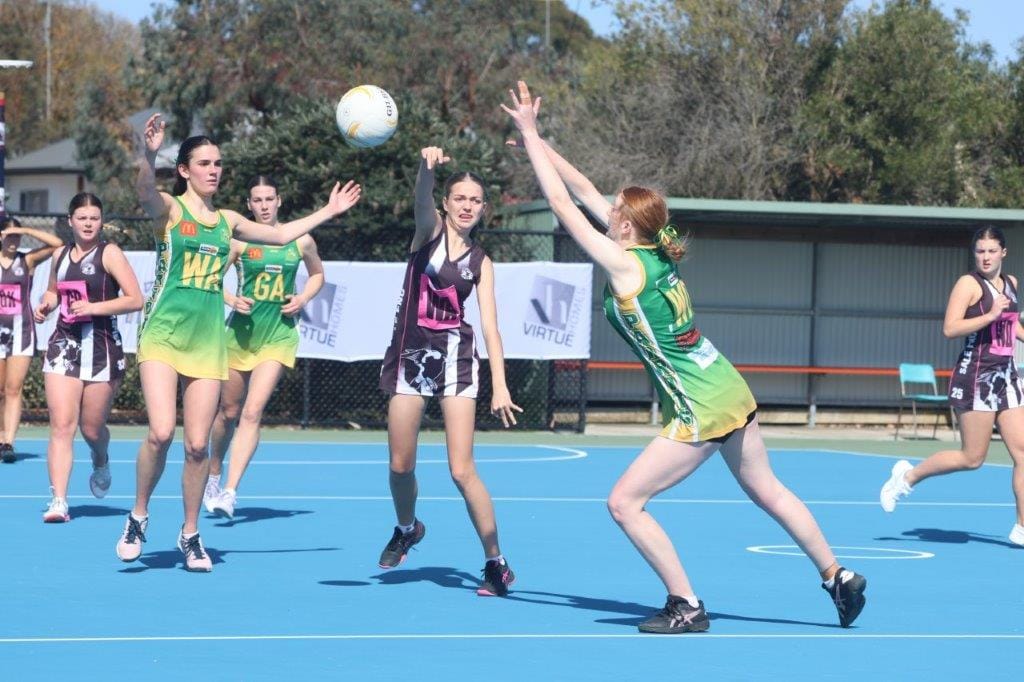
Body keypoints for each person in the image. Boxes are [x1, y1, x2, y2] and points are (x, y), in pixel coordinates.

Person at [502, 80, 866, 632]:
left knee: (624, 503)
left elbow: (561, 203)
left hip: (699, 403)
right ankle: (837, 576)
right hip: (725, 383)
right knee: (769, 491)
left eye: (614, 212)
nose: (606, 214)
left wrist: (532, 137)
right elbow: (582, 188)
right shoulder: (648, 248)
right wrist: (535, 137)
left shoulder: (625, 264)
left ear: (625, 224)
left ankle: (687, 605)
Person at [116, 113, 360, 571]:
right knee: (161, 432)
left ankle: (190, 533)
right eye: (204, 163)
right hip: (163, 336)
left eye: (219, 163)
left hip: (208, 343)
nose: (214, 170)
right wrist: (147, 152)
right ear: (185, 170)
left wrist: (329, 211)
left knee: (195, 446)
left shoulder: (228, 221)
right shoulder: (171, 210)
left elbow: (283, 233)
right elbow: (144, 190)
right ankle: (138, 514)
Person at [376, 144, 523, 597]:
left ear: (483, 209)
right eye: (459, 197)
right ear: (447, 202)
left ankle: (496, 563)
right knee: (401, 466)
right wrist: (425, 169)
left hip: (456, 362)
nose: (466, 206)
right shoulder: (428, 234)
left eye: (475, 200)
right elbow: (421, 197)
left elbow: (492, 328)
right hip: (410, 357)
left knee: (462, 470)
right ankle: (407, 527)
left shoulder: (482, 263)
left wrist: (499, 385)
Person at [881, 225, 1024, 546]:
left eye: (991, 251)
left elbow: (1011, 326)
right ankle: (906, 478)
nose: (985, 257)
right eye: (980, 251)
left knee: (1023, 452)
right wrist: (989, 314)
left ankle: (1022, 528)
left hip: (1007, 377)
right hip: (976, 376)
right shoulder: (968, 285)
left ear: (1003, 252)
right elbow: (950, 328)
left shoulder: (1011, 284)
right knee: (972, 459)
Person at [204, 176, 325, 519]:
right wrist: (230, 298)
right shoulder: (240, 242)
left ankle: (230, 491)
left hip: (279, 336)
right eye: (257, 200)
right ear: (249, 205)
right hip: (240, 336)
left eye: (269, 198)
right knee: (227, 412)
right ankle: (213, 474)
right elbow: (211, 279)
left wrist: (302, 297)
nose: (264, 205)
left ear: (279, 200)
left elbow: (318, 275)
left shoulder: (300, 241)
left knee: (252, 412)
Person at [35, 193, 144, 522]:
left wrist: (94, 308)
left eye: (94, 218)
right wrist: (46, 304)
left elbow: (135, 299)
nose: (87, 223)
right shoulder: (60, 255)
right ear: (70, 221)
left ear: (101, 222)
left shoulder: (109, 253)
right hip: (64, 346)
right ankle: (59, 501)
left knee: (91, 428)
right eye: (82, 218)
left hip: (101, 348)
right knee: (62, 426)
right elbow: (54, 291)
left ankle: (101, 459)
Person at [0, 217, 64, 462]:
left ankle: (8, 442)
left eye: (18, 236)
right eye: (10, 235)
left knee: (13, 389)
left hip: (21, 333)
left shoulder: (26, 261)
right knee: (0, 390)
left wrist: (24, 229)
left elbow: (57, 244)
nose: (14, 240)